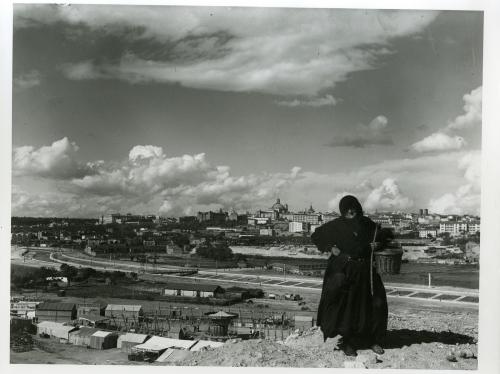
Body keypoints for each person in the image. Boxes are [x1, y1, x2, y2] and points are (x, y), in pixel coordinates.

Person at [311, 195, 389, 357]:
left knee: (374, 303)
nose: (351, 212)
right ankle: (349, 342)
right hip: (347, 269)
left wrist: (378, 244)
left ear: (358, 208)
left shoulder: (367, 223)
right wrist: (331, 247)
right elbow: (316, 235)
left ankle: (372, 339)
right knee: (349, 307)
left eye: (353, 208)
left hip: (367, 270)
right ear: (343, 211)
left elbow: (382, 235)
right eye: (347, 210)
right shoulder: (336, 225)